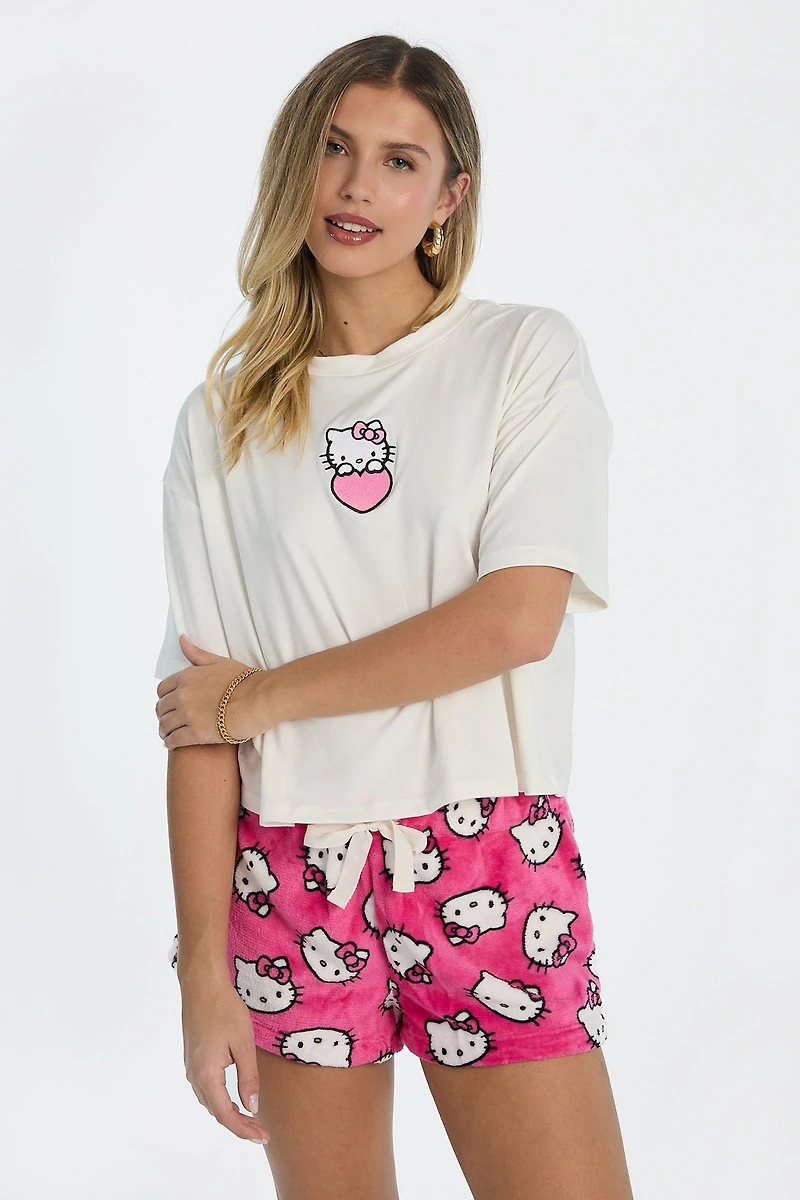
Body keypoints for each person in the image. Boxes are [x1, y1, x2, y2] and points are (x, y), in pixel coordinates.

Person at [153, 32, 635, 1200]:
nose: (356, 186)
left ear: (447, 197)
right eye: (332, 148)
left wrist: (260, 697)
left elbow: (513, 619)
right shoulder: (223, 416)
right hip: (287, 870)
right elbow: (196, 717)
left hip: (483, 844)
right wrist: (202, 971)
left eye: (398, 160)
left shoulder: (518, 357)